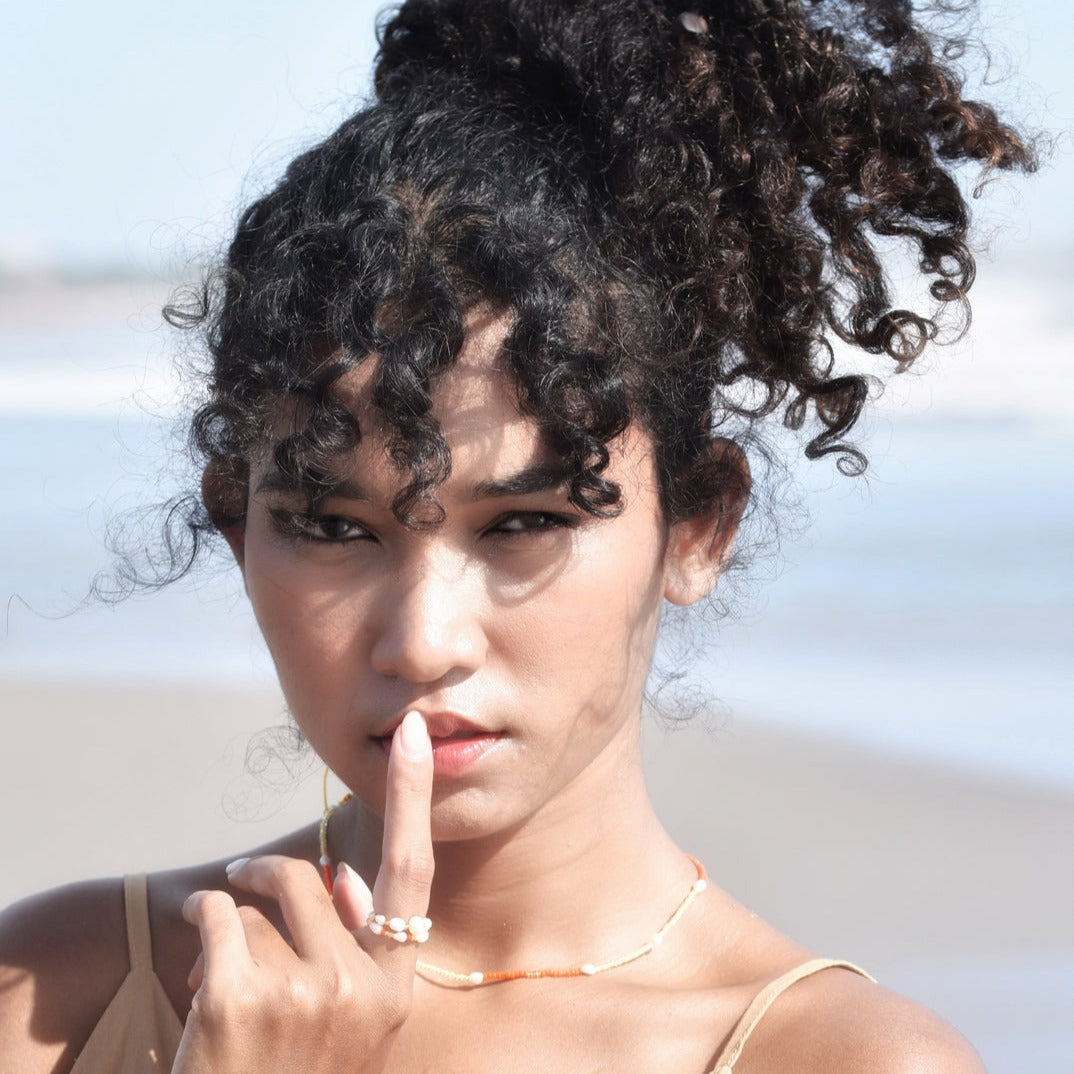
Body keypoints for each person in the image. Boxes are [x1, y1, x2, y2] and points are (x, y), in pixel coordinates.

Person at [0, 1, 1034, 1071]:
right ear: (234, 522)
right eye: (331, 527)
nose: (424, 641)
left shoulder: (838, 1060)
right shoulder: (57, 991)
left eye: (527, 522)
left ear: (699, 527)